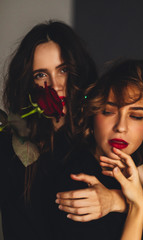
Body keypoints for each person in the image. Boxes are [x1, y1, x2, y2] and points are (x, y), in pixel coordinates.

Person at [0, 20, 97, 240]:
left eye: (63, 70)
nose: (54, 84)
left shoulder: (99, 133)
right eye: (41, 75)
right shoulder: (11, 143)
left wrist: (115, 200)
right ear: (28, 83)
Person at [55, 59, 143, 239]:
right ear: (92, 114)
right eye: (108, 112)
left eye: (135, 116)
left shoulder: (130, 160)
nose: (121, 127)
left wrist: (116, 200)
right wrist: (136, 206)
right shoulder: (77, 179)